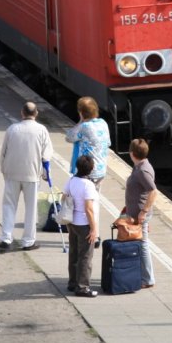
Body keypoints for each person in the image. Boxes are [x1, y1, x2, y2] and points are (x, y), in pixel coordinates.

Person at [0, 101, 54, 252]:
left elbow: (3, 152)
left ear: (22, 113)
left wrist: (4, 170)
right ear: (36, 113)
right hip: (32, 174)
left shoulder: (12, 129)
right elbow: (46, 155)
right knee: (31, 208)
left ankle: (6, 237)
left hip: (12, 173)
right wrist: (46, 174)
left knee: (9, 205)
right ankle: (28, 241)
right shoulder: (42, 130)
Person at [66, 96, 110, 243]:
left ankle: (92, 235)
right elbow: (108, 143)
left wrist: (80, 121)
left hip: (86, 172)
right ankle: (96, 233)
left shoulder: (84, 127)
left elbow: (69, 137)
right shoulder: (103, 123)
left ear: (81, 112)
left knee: (85, 205)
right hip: (101, 170)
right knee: (95, 201)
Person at [123, 138, 158, 289]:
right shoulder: (139, 166)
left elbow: (153, 191)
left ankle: (148, 279)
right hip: (135, 213)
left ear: (132, 153)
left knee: (143, 245)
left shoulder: (143, 170)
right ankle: (139, 274)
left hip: (139, 214)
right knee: (137, 243)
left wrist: (144, 212)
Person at [64, 154, 99, 297]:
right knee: (85, 257)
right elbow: (89, 209)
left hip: (72, 222)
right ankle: (83, 287)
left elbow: (64, 197)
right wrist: (94, 229)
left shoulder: (71, 180)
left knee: (73, 253)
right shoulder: (88, 185)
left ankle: (72, 283)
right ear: (91, 169)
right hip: (84, 224)